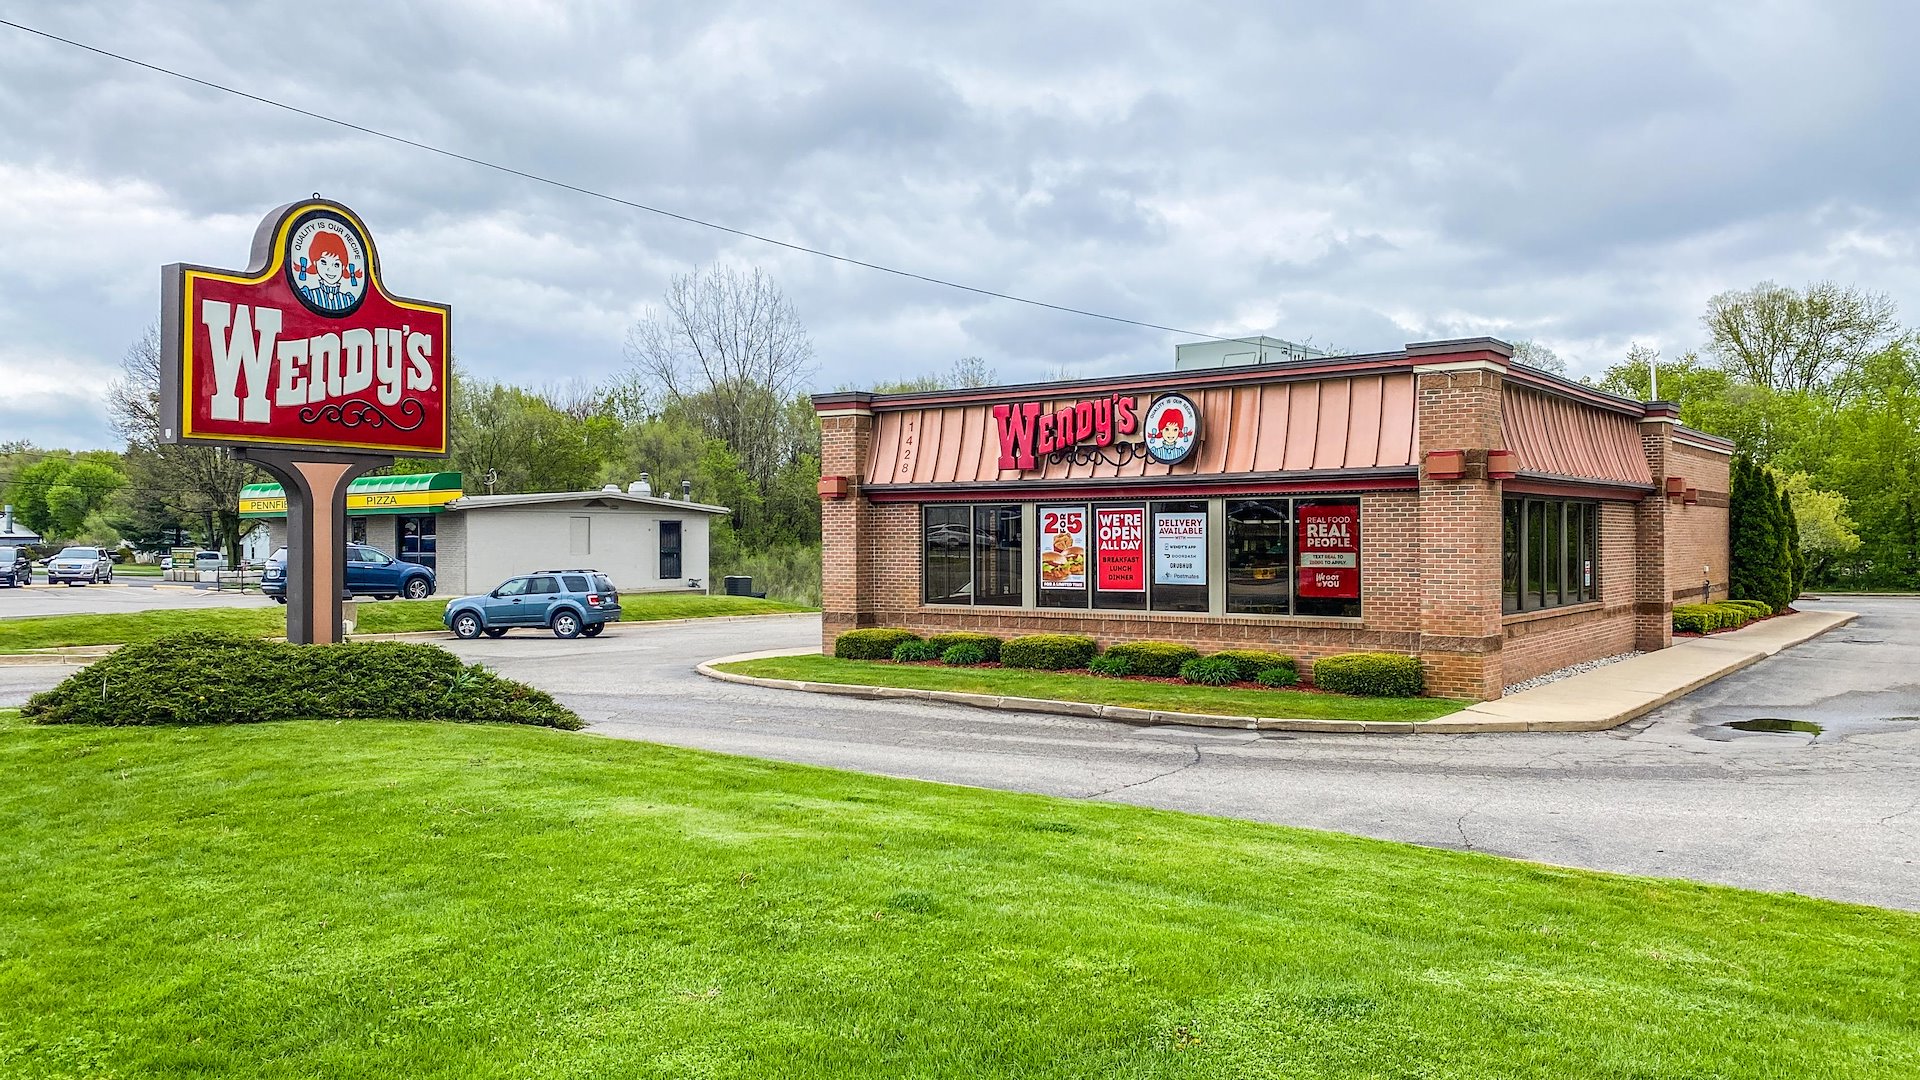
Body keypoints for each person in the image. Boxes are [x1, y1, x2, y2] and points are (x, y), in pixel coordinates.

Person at [299, 231, 357, 312]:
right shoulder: (309, 295)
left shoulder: (348, 300)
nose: (330, 269)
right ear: (315, 262)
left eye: (336, 264)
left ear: (343, 267)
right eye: (324, 262)